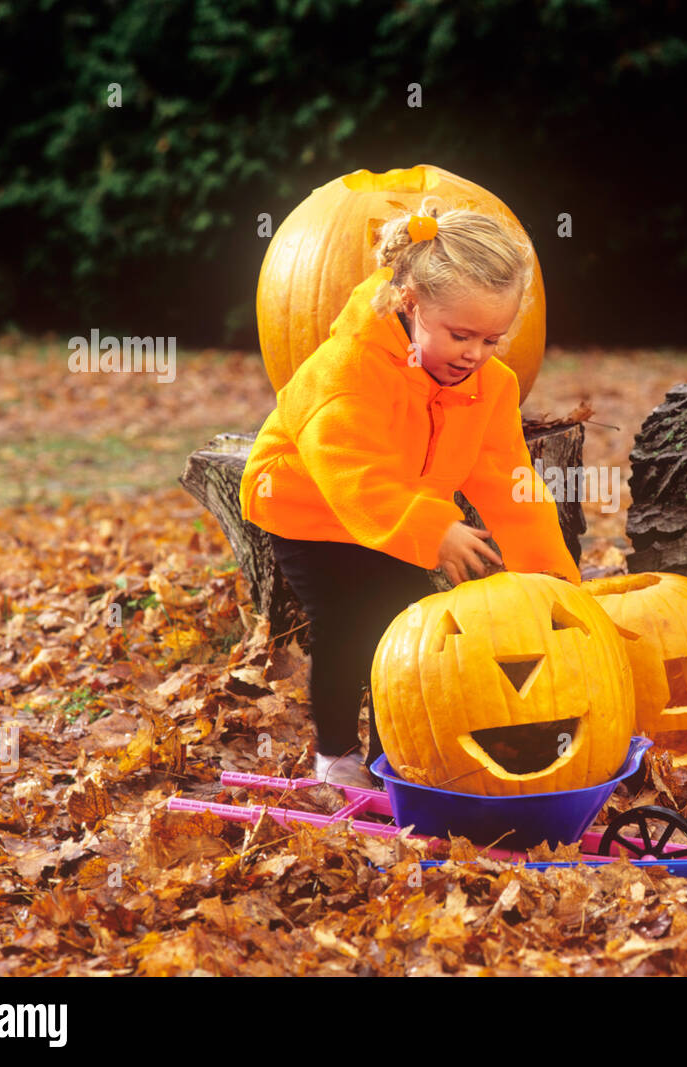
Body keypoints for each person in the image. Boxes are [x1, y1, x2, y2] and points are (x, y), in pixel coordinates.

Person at [239, 199, 581, 788]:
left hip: (401, 508)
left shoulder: (488, 385)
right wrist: (431, 530)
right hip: (310, 507)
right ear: (411, 302)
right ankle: (337, 756)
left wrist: (554, 582)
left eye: (493, 339)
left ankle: (398, 753)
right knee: (346, 622)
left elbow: (509, 482)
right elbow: (351, 469)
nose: (475, 353)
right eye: (461, 335)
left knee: (408, 625)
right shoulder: (349, 367)